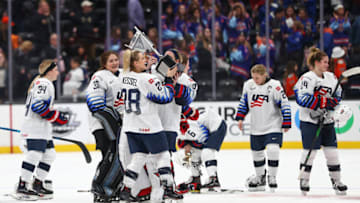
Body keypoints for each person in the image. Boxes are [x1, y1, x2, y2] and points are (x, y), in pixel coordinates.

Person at [119, 50, 183, 201]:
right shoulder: (147, 79)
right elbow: (165, 97)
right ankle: (167, 188)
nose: (146, 61)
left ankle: (126, 189)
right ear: (135, 63)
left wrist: (152, 70)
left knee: (139, 157)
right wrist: (167, 79)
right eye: (142, 59)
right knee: (164, 155)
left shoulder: (124, 77)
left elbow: (141, 83)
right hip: (148, 125)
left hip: (130, 126)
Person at [294, 47, 347, 195]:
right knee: (310, 152)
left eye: (327, 62)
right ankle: (304, 179)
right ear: (316, 63)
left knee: (332, 152)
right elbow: (302, 98)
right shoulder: (307, 78)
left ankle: (337, 181)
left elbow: (338, 96)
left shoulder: (332, 77)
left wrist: (333, 104)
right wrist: (324, 103)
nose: (327, 65)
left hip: (328, 121)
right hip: (310, 121)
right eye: (324, 62)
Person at [16, 60, 69, 200]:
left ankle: (38, 183)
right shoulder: (44, 83)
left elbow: (41, 106)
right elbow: (38, 106)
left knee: (50, 154)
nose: (58, 72)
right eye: (56, 69)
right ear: (49, 71)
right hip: (35, 128)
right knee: (34, 155)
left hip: (42, 128)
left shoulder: (43, 83)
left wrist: (55, 116)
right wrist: (57, 117)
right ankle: (23, 185)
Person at [236, 64, 291, 192]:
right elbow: (244, 102)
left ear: (264, 75)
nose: (255, 80)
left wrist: (287, 121)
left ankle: (272, 177)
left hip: (273, 125)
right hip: (256, 126)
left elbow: (284, 103)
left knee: (273, 149)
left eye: (257, 78)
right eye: (253, 78)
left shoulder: (275, 85)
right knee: (257, 153)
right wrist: (240, 118)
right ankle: (260, 177)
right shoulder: (248, 85)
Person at [86, 51, 123, 203]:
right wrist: (114, 117)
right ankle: (100, 187)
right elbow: (95, 105)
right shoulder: (99, 76)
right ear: (104, 63)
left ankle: (111, 186)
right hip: (101, 124)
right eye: (111, 61)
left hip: (117, 122)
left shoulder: (121, 75)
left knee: (116, 155)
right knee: (109, 154)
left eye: (116, 60)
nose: (115, 63)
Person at [176, 108, 227, 193]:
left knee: (206, 152)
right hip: (205, 127)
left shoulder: (188, 128)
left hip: (217, 124)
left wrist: (189, 159)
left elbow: (203, 138)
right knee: (195, 153)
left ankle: (213, 179)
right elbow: (191, 147)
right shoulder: (182, 132)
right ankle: (196, 179)